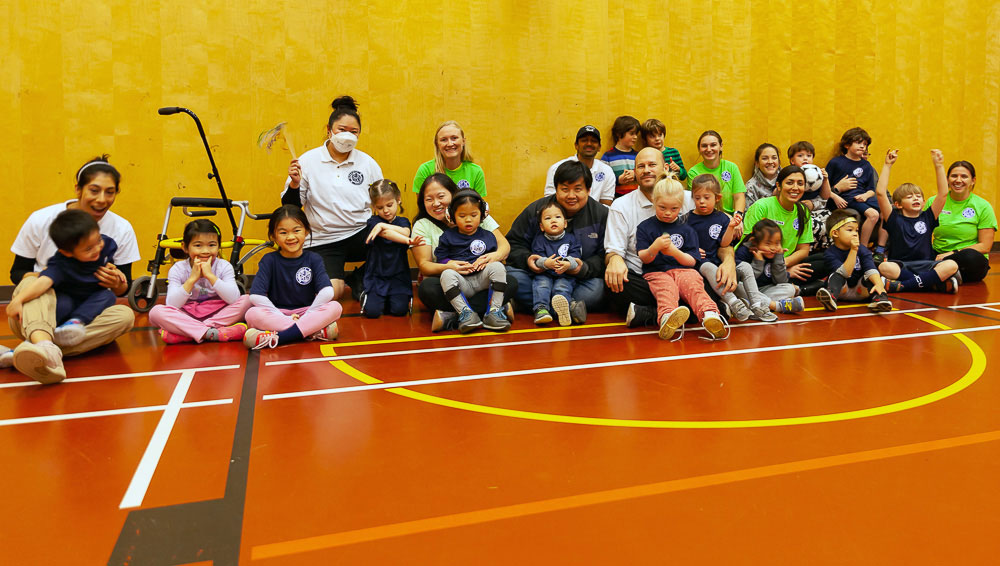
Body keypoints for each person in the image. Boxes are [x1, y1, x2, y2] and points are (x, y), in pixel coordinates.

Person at [7, 155, 138, 383]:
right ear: (78, 189)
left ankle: (34, 351)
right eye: (94, 190)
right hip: (36, 311)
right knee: (32, 283)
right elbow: (17, 272)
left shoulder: (121, 229)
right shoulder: (41, 220)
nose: (102, 199)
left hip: (80, 319)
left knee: (125, 315)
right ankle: (41, 341)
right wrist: (44, 281)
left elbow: (122, 289)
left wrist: (118, 284)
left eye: (110, 192)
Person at [604, 147, 736, 327]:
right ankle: (707, 310)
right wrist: (614, 259)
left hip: (687, 274)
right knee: (615, 284)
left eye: (652, 164)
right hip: (648, 277)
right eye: (641, 166)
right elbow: (613, 251)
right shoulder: (621, 206)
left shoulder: (691, 198)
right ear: (635, 172)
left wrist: (729, 261)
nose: (647, 170)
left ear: (665, 167)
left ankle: (647, 314)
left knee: (708, 279)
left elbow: (722, 227)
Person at [283, 96, 383, 300]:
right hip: (324, 240)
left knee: (396, 238)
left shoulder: (368, 163)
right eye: (342, 130)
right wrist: (294, 184)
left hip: (360, 233)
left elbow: (382, 202)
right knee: (331, 294)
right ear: (329, 129)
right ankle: (341, 279)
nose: (347, 136)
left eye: (353, 132)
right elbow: (291, 208)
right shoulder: (308, 161)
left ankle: (360, 277)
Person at [7, 210, 122, 359]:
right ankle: (40, 343)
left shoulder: (107, 245)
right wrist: (18, 300)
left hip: (89, 304)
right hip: (63, 304)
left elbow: (112, 269)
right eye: (88, 249)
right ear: (67, 252)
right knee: (62, 302)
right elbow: (43, 282)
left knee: (108, 297)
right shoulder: (60, 263)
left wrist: (116, 273)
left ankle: (33, 348)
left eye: (98, 240)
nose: (97, 249)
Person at [411, 174, 516, 331]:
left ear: (453, 194)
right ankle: (490, 309)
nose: (436, 203)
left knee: (511, 281)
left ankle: (452, 317)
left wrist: (492, 257)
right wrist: (449, 266)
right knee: (427, 288)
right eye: (429, 199)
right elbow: (425, 265)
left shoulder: (478, 213)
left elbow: (504, 246)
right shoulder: (423, 225)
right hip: (453, 283)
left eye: (441, 196)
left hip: (481, 279)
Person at [507, 160, 607, 318]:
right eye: (565, 189)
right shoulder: (537, 210)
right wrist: (529, 260)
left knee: (599, 288)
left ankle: (537, 305)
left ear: (588, 190)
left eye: (578, 189)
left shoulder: (601, 215)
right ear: (556, 189)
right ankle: (570, 307)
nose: (571, 196)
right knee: (510, 276)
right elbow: (513, 244)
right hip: (538, 277)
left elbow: (606, 255)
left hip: (576, 281)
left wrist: (583, 267)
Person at [636, 176, 727, 340]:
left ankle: (710, 314)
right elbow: (644, 258)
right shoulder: (645, 227)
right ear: (654, 202)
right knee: (666, 289)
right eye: (662, 207)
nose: (668, 213)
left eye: (674, 208)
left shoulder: (687, 229)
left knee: (694, 285)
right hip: (656, 272)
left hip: (684, 270)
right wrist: (654, 248)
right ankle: (667, 318)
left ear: (681, 206)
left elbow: (692, 261)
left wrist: (673, 252)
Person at [243, 206, 342, 349]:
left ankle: (279, 338)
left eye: (296, 230)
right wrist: (284, 318)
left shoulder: (314, 259)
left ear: (306, 231)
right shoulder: (269, 260)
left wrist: (308, 314)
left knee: (335, 307)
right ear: (273, 236)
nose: (290, 237)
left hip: (307, 312)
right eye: (283, 232)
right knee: (252, 314)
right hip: (278, 313)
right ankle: (313, 332)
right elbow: (256, 296)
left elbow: (327, 292)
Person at [148, 219, 251, 344]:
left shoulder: (224, 266)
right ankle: (212, 333)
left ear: (218, 246)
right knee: (156, 312)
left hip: (218, 313)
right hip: (188, 314)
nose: (205, 251)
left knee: (247, 300)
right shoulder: (178, 269)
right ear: (185, 247)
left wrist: (210, 276)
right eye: (198, 245)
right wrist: (192, 279)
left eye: (212, 245)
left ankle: (189, 333)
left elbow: (233, 299)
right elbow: (172, 304)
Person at [687, 175, 774, 322]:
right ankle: (734, 303)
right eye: (697, 197)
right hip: (701, 263)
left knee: (745, 267)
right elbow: (682, 242)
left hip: (719, 260)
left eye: (706, 197)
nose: (701, 201)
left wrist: (731, 227)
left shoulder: (721, 218)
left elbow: (724, 244)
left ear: (717, 198)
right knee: (708, 267)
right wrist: (691, 251)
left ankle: (757, 305)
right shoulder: (687, 219)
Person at [875, 149, 960, 293]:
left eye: (918, 196)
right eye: (909, 197)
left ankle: (903, 286)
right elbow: (880, 193)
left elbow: (943, 194)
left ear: (924, 201)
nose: (915, 198)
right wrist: (887, 165)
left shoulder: (928, 217)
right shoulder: (894, 218)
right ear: (898, 204)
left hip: (927, 264)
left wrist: (939, 165)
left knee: (951, 265)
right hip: (901, 265)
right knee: (884, 267)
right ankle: (931, 283)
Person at [740, 165, 828, 291]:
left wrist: (784, 264)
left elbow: (804, 250)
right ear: (779, 186)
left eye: (800, 183)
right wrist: (779, 268)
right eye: (790, 183)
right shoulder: (761, 206)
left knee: (828, 258)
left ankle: (791, 286)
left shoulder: (803, 210)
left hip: (783, 262)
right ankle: (797, 288)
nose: (795, 188)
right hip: (758, 264)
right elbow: (750, 245)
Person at [435, 191, 511, 333]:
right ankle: (466, 314)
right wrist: (451, 263)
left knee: (498, 267)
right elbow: (441, 257)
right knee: (446, 274)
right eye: (462, 216)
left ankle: (494, 312)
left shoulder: (488, 235)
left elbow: (496, 261)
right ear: (452, 217)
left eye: (473, 215)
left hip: (482, 280)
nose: (468, 220)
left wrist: (490, 260)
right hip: (462, 281)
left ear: (482, 215)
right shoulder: (447, 237)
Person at [924, 158, 997, 283]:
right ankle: (943, 279)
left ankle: (936, 276)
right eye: (954, 176)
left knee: (971, 257)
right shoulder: (934, 202)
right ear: (947, 179)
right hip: (938, 255)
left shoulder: (983, 206)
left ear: (973, 181)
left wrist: (953, 254)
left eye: (964, 176)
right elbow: (922, 232)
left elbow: (985, 246)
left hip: (966, 260)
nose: (958, 180)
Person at [361, 180, 422, 318]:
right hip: (377, 275)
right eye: (380, 207)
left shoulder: (403, 221)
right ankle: (365, 291)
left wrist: (383, 226)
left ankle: (390, 298)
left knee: (399, 311)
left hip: (398, 275)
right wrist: (407, 240)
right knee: (372, 313)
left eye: (389, 205)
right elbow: (387, 234)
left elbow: (405, 232)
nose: (386, 210)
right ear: (374, 207)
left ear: (398, 199)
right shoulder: (373, 222)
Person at [816, 209, 892, 312]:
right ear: (835, 233)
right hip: (842, 291)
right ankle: (831, 298)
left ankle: (880, 299)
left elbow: (870, 268)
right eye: (850, 230)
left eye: (856, 230)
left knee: (872, 277)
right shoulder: (830, 253)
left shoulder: (863, 250)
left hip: (861, 290)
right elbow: (845, 273)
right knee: (835, 275)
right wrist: (853, 250)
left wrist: (879, 284)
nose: (855, 234)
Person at [825, 127, 882, 249]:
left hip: (861, 198)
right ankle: (862, 248)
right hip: (848, 198)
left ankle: (881, 248)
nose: (863, 147)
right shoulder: (836, 162)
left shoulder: (866, 165)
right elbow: (825, 187)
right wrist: (835, 197)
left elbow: (872, 189)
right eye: (858, 142)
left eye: (865, 144)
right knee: (873, 215)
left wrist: (865, 195)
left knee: (888, 212)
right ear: (846, 144)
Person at [529, 201, 584, 326]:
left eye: (557, 217)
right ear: (541, 226)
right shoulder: (539, 240)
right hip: (545, 273)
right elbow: (536, 258)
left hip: (564, 274)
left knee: (562, 287)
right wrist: (545, 263)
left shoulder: (571, 239)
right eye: (548, 218)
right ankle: (541, 309)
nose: (553, 221)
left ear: (565, 223)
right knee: (542, 285)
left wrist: (568, 264)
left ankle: (562, 309)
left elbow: (576, 257)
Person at [734, 220, 805, 314]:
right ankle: (777, 306)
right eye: (768, 243)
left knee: (789, 288)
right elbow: (743, 280)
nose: (773, 248)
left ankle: (754, 304)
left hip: (764, 291)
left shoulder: (776, 253)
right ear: (754, 242)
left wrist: (779, 260)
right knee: (738, 286)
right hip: (746, 290)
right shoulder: (743, 252)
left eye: (777, 243)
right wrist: (758, 263)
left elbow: (781, 281)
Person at [543, 125, 615, 205]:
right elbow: (550, 201)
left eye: (593, 141)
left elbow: (606, 204)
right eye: (584, 140)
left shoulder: (606, 171)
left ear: (599, 147)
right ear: (576, 145)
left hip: (595, 216)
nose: (589, 144)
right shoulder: (557, 168)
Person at [411, 121, 486, 197]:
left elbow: (478, 206)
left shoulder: (476, 171)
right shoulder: (425, 170)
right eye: (444, 140)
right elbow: (423, 206)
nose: (450, 144)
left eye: (454, 138)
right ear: (437, 144)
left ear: (463, 141)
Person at [686, 130, 747, 217]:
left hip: (731, 217)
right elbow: (697, 203)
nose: (709, 149)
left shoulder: (732, 167)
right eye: (704, 146)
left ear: (721, 146)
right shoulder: (694, 172)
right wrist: (726, 217)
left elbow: (739, 197)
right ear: (699, 149)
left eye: (713, 145)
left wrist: (738, 216)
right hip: (705, 217)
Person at [787, 141, 833, 252]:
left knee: (832, 222)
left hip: (816, 209)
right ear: (792, 161)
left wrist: (825, 179)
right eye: (800, 156)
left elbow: (825, 196)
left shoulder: (816, 173)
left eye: (809, 156)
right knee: (816, 226)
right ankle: (808, 250)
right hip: (797, 211)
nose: (805, 159)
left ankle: (827, 249)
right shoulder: (789, 173)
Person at [601, 115, 641, 198]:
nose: (635, 137)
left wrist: (635, 175)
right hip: (616, 198)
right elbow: (603, 181)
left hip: (637, 198)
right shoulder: (608, 156)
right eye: (631, 133)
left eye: (636, 134)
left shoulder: (638, 155)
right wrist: (618, 180)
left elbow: (644, 175)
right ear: (619, 134)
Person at [744, 143, 780, 208]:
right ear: (757, 163)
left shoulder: (787, 180)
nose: (770, 161)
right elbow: (748, 215)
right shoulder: (751, 187)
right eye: (765, 158)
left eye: (774, 158)